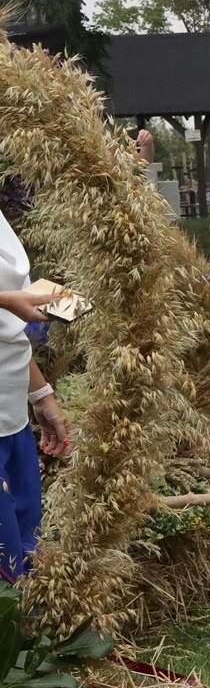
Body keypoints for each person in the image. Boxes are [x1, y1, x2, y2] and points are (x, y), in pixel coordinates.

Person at [0, 214, 72, 582]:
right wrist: (5, 300)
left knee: (27, 548)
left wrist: (41, 395)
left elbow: (7, 333)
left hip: (11, 415)